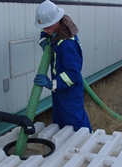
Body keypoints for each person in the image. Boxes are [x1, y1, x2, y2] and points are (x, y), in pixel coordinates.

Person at [34, 0, 92, 133]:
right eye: (43, 27)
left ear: (56, 21)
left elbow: (72, 73)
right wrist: (44, 39)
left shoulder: (66, 44)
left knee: (75, 121)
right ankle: (63, 145)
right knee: (59, 120)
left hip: (69, 89)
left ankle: (86, 142)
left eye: (47, 27)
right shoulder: (58, 26)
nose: (45, 30)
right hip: (60, 88)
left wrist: (52, 84)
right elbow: (46, 30)